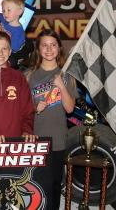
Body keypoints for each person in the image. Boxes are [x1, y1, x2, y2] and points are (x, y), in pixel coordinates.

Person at [25, 29, 77, 210]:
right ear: (38, 49)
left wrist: (61, 87)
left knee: (55, 184)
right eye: (44, 45)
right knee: (35, 184)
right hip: (35, 138)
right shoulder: (29, 75)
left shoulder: (66, 75)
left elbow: (70, 109)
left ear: (59, 48)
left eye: (53, 45)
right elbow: (22, 110)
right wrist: (33, 108)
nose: (49, 49)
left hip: (57, 139)